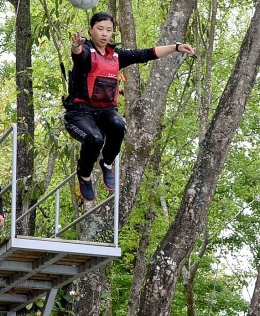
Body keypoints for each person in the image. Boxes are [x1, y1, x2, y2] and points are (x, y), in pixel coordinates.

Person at [65, 12, 196, 201]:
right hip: (80, 113)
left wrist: (176, 47)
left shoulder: (116, 56)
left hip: (105, 112)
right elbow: (78, 55)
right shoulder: (86, 52)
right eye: (100, 29)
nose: (104, 34)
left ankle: (107, 163)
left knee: (119, 125)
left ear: (112, 33)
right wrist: (76, 46)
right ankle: (84, 175)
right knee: (95, 139)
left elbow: (146, 54)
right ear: (90, 30)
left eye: (108, 30)